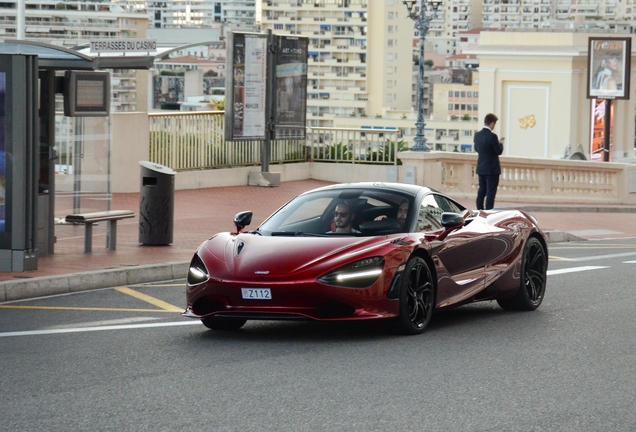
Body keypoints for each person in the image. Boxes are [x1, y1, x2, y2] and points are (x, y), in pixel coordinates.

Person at [475, 113, 504, 210]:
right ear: (492, 123)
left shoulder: (477, 135)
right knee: (490, 193)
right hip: (492, 169)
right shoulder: (493, 137)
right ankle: (488, 212)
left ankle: (479, 209)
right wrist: (501, 144)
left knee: (481, 190)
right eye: (494, 124)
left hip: (481, 168)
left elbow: (477, 149)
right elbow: (499, 151)